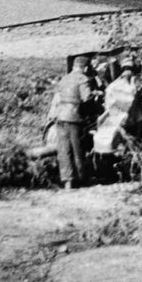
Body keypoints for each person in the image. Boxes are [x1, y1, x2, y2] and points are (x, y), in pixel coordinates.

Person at [50, 55, 93, 190]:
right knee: (77, 149)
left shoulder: (64, 78)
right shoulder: (83, 78)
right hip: (74, 117)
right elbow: (86, 97)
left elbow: (57, 96)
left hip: (60, 116)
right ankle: (81, 179)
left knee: (63, 150)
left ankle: (67, 182)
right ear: (85, 68)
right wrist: (96, 94)